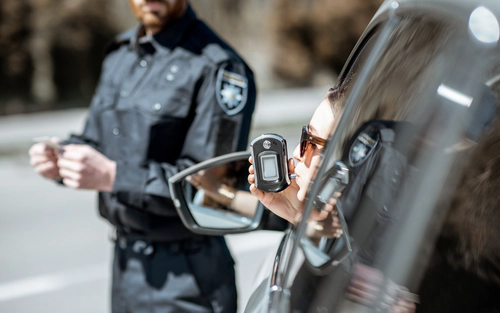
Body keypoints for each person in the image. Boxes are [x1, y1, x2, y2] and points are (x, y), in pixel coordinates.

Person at [28, 0, 256, 312]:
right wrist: (62, 158)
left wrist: (113, 177)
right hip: (124, 267)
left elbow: (210, 191)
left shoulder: (221, 68)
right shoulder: (120, 54)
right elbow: (96, 141)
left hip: (187, 278)